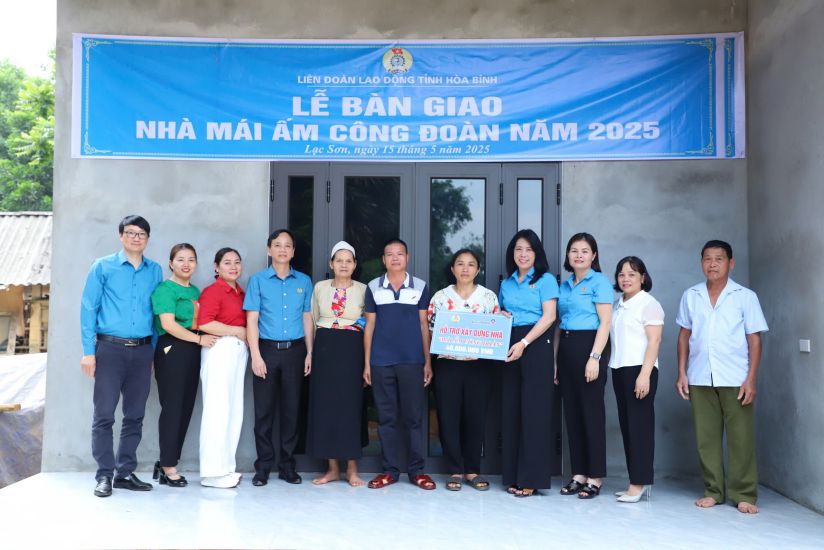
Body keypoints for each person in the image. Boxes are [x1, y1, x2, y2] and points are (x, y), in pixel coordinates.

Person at [676, 240, 768, 514]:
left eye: (719, 258)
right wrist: (682, 372)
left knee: (741, 439)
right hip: (700, 376)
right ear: (701, 262)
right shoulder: (691, 295)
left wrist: (751, 378)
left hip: (735, 377)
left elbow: (755, 339)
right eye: (707, 259)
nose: (712, 264)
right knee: (706, 438)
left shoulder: (745, 296)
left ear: (731, 263)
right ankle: (713, 491)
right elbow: (684, 335)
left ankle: (744, 493)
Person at [80, 215, 163, 497]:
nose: (136, 237)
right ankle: (104, 475)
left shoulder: (155, 270)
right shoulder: (102, 266)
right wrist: (88, 353)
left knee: (135, 415)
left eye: (141, 234)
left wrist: (152, 350)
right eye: (130, 233)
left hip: (141, 351)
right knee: (104, 415)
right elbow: (88, 309)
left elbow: (155, 313)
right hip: (109, 349)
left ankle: (124, 473)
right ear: (121, 236)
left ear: (147, 239)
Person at [363, 238, 436, 490]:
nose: (395, 258)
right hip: (381, 362)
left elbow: (424, 326)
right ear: (383, 260)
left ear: (407, 258)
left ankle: (417, 471)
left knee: (414, 418)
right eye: (389, 254)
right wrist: (367, 364)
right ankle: (390, 471)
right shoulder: (373, 287)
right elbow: (369, 327)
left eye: (399, 254)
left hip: (412, 361)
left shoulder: (420, 286)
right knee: (386, 419)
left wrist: (427, 361)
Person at [244, 229, 313, 486]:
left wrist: (310, 352)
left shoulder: (304, 281)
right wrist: (256, 355)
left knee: (291, 411)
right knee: (263, 413)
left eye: (287, 246)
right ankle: (262, 468)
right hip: (267, 351)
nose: (282, 249)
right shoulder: (258, 281)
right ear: (269, 250)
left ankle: (287, 466)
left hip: (295, 352)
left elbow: (307, 319)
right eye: (277, 245)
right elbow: (252, 320)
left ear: (293, 251)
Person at [428, 249, 500, 491]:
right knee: (448, 417)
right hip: (448, 364)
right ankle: (454, 470)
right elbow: (430, 331)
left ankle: (472, 470)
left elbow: (495, 330)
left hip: (479, 367)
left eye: (471, 265)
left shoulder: (488, 298)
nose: (465, 269)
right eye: (460, 264)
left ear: (478, 270)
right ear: (452, 269)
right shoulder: (440, 298)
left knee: (475, 418)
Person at [151, 243, 218, 488]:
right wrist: (199, 339)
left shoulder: (196, 291)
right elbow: (168, 324)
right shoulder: (165, 289)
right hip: (173, 349)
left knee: (186, 407)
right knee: (173, 407)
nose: (186, 264)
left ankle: (167, 461)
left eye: (191, 259)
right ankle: (169, 465)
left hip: (192, 350)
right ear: (171, 263)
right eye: (180, 259)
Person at [498, 229, 559, 498]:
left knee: (534, 413)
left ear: (537, 254)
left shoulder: (545, 280)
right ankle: (512, 475)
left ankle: (531, 478)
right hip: (509, 343)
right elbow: (502, 312)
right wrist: (501, 314)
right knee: (511, 410)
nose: (523, 254)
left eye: (529, 250)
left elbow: (549, 317)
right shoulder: (507, 283)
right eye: (518, 249)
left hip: (535, 344)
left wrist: (524, 343)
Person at [557, 232, 613, 499]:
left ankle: (595, 476)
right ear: (568, 256)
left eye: (584, 250)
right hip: (567, 347)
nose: (578, 255)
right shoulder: (565, 285)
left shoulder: (600, 282)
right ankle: (578, 474)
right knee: (573, 414)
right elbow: (560, 323)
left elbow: (605, 323)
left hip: (590, 346)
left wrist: (595, 357)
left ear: (594, 255)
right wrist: (556, 361)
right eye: (574, 250)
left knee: (591, 413)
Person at [307, 241, 367, 487]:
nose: (344, 264)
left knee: (351, 406)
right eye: (339, 260)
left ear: (354, 265)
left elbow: (371, 324)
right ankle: (331, 469)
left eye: (348, 260)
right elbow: (311, 320)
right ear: (331, 264)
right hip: (325, 348)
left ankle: (352, 469)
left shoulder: (364, 289)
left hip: (352, 348)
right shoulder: (320, 287)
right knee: (327, 406)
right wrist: (310, 353)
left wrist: (367, 362)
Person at [609, 256, 664, 503]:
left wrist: (644, 375)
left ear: (643, 277)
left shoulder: (648, 303)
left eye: (632, 274)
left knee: (640, 428)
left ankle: (639, 483)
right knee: (628, 427)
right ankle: (637, 481)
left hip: (641, 370)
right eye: (622, 274)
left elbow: (654, 341)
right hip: (620, 368)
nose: (626, 279)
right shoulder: (617, 304)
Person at [197, 247, 248, 488]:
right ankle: (211, 473)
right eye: (227, 263)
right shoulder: (213, 291)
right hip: (220, 350)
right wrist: (236, 331)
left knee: (233, 410)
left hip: (238, 351)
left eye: (237, 262)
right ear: (216, 268)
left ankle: (226, 467)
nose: (233, 266)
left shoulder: (240, 292)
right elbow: (204, 323)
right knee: (217, 410)